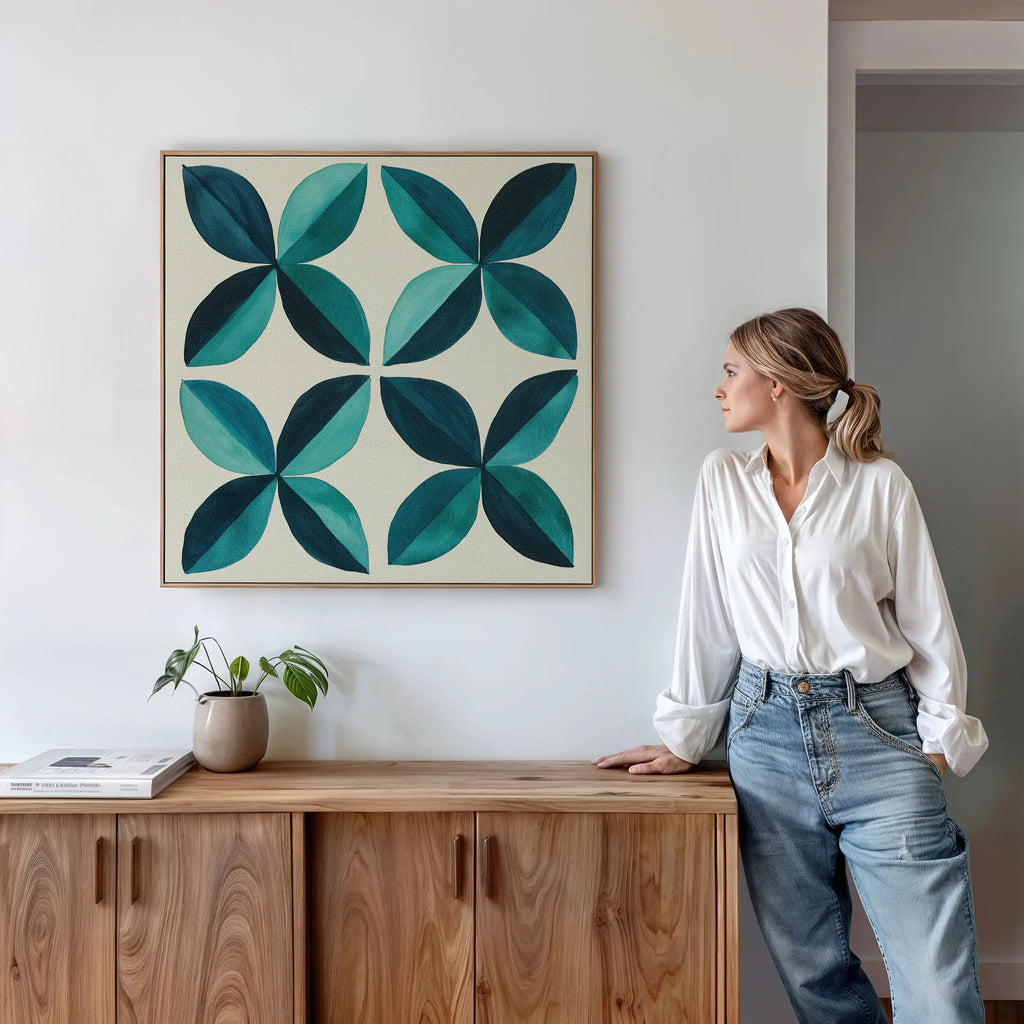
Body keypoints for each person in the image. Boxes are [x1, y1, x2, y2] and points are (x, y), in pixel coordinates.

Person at [593, 308, 988, 1024]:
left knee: (936, 987)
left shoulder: (880, 486)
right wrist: (687, 737)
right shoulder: (722, 481)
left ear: (777, 384)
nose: (719, 388)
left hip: (879, 730)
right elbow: (705, 616)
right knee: (815, 979)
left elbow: (929, 621)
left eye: (730, 371)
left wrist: (936, 740)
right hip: (763, 736)